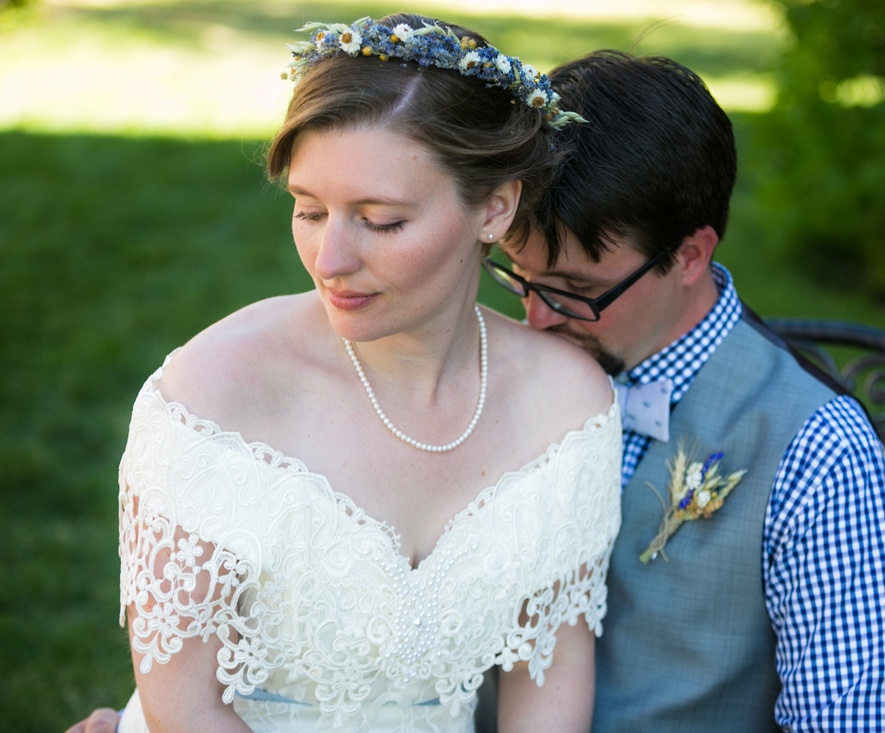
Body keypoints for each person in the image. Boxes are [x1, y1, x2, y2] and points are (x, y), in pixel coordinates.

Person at [71, 13, 621, 733]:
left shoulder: (568, 410)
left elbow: (547, 681)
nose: (330, 259)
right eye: (309, 209)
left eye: (382, 220)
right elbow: (185, 704)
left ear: (495, 205)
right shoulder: (210, 394)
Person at [475, 51, 885, 731]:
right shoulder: (488, 376)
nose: (535, 319)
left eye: (579, 292)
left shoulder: (817, 446)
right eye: (523, 280)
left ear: (690, 255)